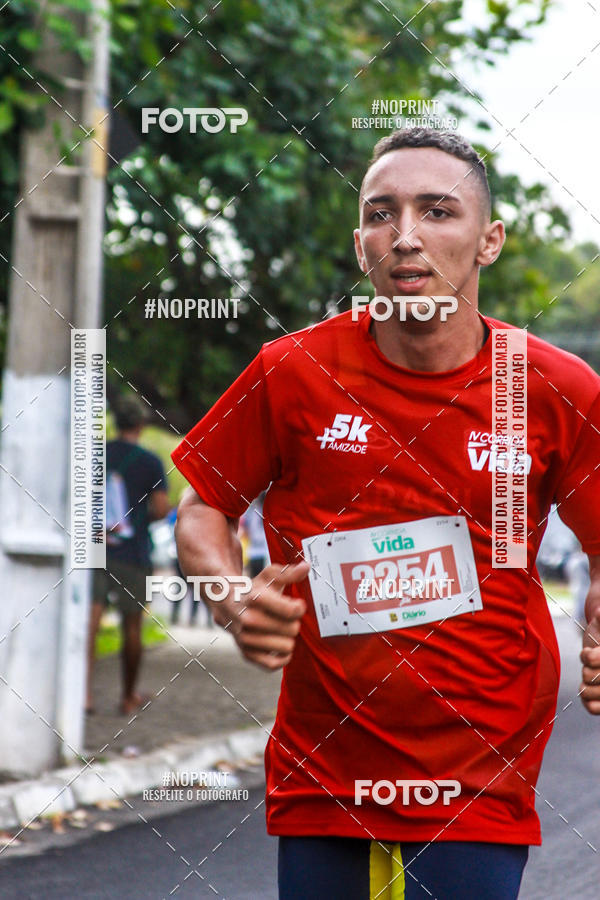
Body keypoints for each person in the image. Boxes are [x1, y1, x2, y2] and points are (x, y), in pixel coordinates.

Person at [171, 128, 600, 899]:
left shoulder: (551, 386)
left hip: (481, 762)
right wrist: (230, 599)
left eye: (438, 211)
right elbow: (204, 508)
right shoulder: (293, 370)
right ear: (360, 240)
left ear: (489, 240)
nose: (406, 237)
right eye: (381, 214)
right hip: (327, 760)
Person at [87, 396, 169, 715]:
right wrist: (139, 519)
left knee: (90, 622)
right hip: (133, 553)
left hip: (95, 547)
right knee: (132, 625)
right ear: (141, 425)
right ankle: (127, 696)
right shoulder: (150, 461)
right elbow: (161, 508)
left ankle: (84, 697)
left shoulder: (97, 454)